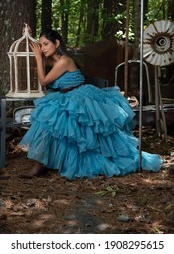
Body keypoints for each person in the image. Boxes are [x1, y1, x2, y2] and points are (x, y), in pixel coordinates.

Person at [19, 29, 163, 179]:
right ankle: (40, 164)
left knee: (71, 126)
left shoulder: (64, 61)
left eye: (46, 44)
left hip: (79, 96)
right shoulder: (55, 60)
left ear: (57, 43)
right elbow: (40, 59)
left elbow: (43, 81)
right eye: (41, 45)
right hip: (67, 96)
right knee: (50, 122)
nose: (42, 49)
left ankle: (41, 166)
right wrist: (28, 36)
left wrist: (37, 57)